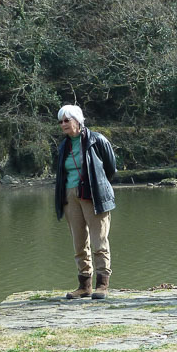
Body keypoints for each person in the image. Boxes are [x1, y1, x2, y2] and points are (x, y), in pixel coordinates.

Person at [54, 104, 117, 300]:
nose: (63, 124)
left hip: (93, 194)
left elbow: (110, 167)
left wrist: (96, 185)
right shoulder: (63, 146)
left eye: (67, 120)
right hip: (70, 195)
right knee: (79, 243)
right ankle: (84, 285)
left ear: (78, 121)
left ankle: (102, 285)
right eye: (61, 121)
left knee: (99, 242)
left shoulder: (96, 140)